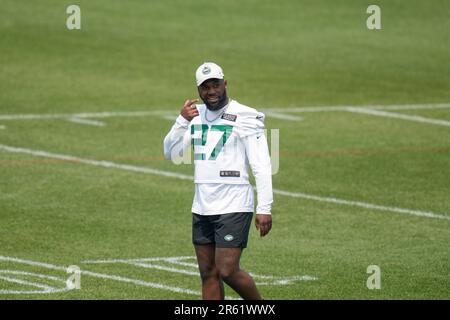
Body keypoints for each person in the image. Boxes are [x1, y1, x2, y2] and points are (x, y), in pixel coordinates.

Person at [163, 62, 273, 300]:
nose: (211, 91)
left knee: (227, 270)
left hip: (234, 203)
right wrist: (181, 121)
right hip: (202, 205)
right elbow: (171, 154)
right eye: (205, 87)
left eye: (215, 85)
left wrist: (264, 208)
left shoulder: (246, 115)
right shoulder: (195, 115)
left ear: (225, 84)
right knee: (208, 273)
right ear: (198, 90)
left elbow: (262, 164)